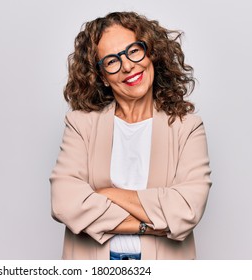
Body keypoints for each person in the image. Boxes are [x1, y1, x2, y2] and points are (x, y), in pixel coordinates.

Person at [50, 11, 211, 260]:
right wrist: (149, 225)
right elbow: (65, 203)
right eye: (112, 61)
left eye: (133, 50)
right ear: (101, 76)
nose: (127, 65)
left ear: (151, 53)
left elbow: (187, 209)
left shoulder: (186, 127)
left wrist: (107, 194)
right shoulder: (81, 124)